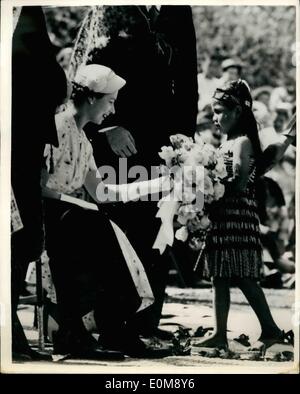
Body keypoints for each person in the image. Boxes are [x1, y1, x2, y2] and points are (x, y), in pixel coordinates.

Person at [83, 5, 198, 339]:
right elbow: (89, 69)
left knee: (157, 232)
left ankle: (144, 324)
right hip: (118, 140)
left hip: (164, 146)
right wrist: (106, 129)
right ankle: (111, 325)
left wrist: (185, 144)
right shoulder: (111, 8)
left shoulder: (179, 10)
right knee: (119, 231)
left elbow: (187, 79)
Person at [42, 64, 173, 359]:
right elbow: (37, 187)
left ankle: (115, 327)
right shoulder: (56, 127)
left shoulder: (83, 139)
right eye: (110, 101)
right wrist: (78, 204)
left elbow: (103, 192)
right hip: (48, 215)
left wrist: (160, 185)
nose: (113, 111)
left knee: (102, 224)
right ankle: (76, 332)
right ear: (92, 98)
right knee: (93, 222)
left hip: (75, 217)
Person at [196, 80, 291, 354]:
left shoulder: (242, 142)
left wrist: (209, 184)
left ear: (237, 112)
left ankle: (270, 328)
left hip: (237, 214)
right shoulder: (226, 143)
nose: (215, 118)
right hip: (224, 215)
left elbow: (238, 183)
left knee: (243, 275)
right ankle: (218, 334)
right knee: (220, 276)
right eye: (213, 111)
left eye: (219, 111)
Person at [11, 6, 67, 361]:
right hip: (21, 164)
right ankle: (12, 334)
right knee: (22, 244)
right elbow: (58, 89)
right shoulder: (35, 57)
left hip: (18, 160)